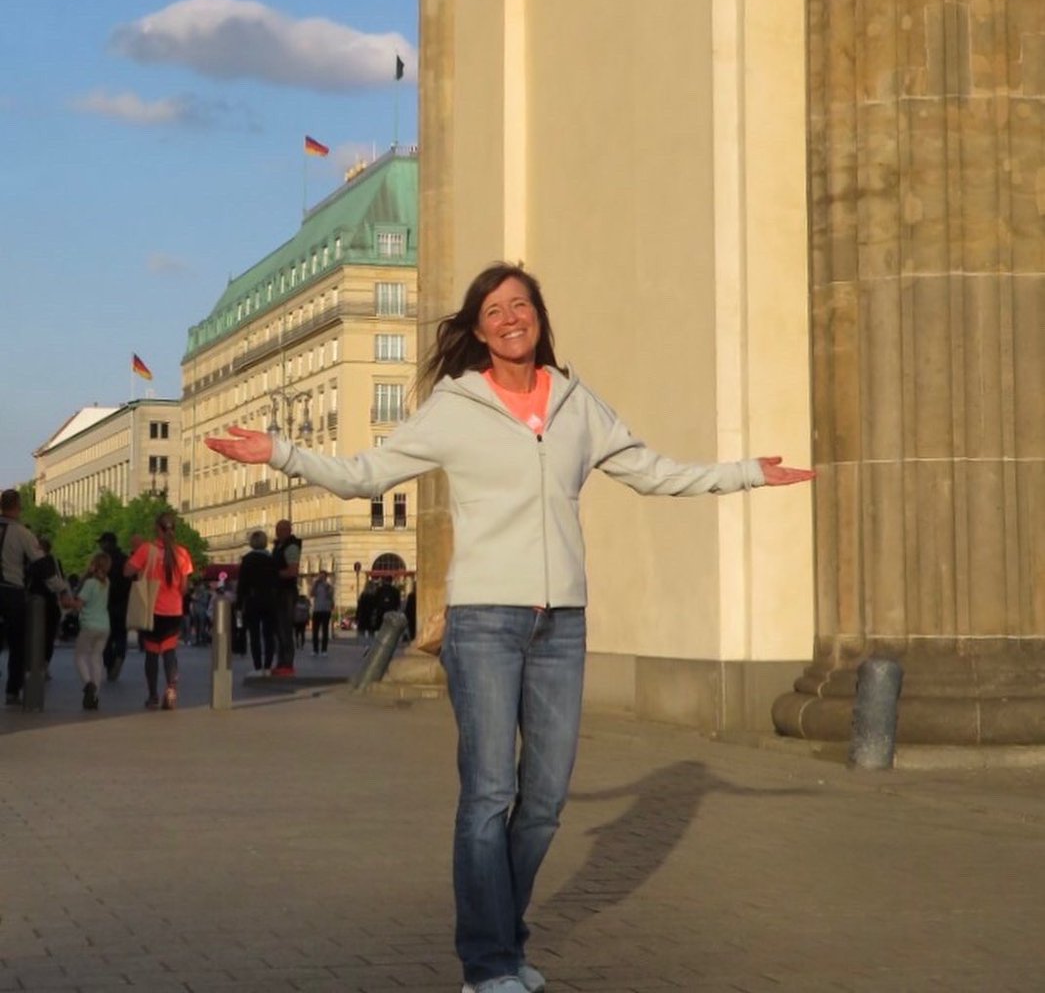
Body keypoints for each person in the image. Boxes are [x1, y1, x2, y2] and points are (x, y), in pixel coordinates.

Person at [205, 261, 815, 993]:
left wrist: (746, 472)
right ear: (476, 330)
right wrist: (279, 451)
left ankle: (502, 934)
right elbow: (367, 473)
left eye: (519, 305)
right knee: (489, 794)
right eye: (493, 310)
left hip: (561, 623)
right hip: (485, 621)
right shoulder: (454, 407)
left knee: (546, 800)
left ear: (537, 317)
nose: (509, 318)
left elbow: (653, 472)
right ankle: (488, 963)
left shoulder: (575, 402)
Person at [125, 510, 193, 710]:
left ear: (157, 528)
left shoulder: (147, 550)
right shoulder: (182, 553)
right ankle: (171, 690)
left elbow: (127, 570)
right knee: (170, 651)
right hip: (174, 611)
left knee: (152, 654)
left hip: (152, 610)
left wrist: (137, 555)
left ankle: (153, 695)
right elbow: (184, 588)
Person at [0, 488, 61, 707]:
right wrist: (59, 588)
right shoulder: (22, 533)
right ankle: (12, 690)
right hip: (12, 590)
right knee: (18, 642)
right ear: (18, 506)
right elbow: (41, 564)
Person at [71, 551, 111, 710]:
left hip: (89, 625)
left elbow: (79, 605)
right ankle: (95, 695)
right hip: (104, 626)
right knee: (96, 659)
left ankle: (88, 684)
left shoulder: (90, 583)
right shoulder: (106, 582)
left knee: (80, 656)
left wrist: (69, 602)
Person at [238, 531, 278, 676]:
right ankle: (267, 666)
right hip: (269, 600)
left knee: (254, 635)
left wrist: (239, 603)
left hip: (253, 599)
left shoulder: (248, 560)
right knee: (268, 634)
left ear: (252, 543)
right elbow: (276, 581)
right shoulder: (272, 560)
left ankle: (257, 666)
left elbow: (242, 583)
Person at [28, 537, 67, 679]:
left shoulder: (32, 561)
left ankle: (34, 664)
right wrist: (63, 593)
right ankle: (44, 665)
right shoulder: (53, 561)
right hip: (50, 602)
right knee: (48, 636)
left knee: (33, 635)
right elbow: (60, 580)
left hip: (34, 600)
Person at [97, 532, 130, 681]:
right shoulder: (125, 559)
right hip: (123, 604)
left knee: (106, 638)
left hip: (105, 603)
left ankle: (110, 665)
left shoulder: (103, 560)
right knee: (121, 634)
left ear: (107, 543)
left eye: (101, 543)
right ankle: (120, 656)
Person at [270, 519, 301, 676]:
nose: (278, 532)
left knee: (285, 628)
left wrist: (273, 574)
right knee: (278, 629)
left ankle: (287, 663)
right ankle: (281, 662)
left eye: (281, 529)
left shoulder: (291, 547)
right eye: (277, 529)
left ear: (288, 530)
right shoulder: (279, 546)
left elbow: (293, 571)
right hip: (278, 591)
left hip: (286, 592)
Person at [310, 570, 334, 656]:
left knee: (325, 631)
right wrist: (315, 584)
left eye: (322, 576)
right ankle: (315, 650)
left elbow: (330, 595)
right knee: (315, 631)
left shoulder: (329, 586)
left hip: (326, 610)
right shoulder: (316, 585)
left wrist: (325, 586)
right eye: (319, 576)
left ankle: (324, 650)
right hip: (317, 610)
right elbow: (311, 594)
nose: (320, 577)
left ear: (326, 577)